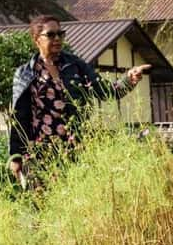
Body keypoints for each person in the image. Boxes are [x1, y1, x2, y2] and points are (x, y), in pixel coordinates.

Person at [8, 15, 149, 185]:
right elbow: (18, 117)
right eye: (51, 35)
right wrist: (16, 156)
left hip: (77, 144)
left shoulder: (74, 65)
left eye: (61, 34)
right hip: (42, 150)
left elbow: (106, 91)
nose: (57, 39)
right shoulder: (25, 73)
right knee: (46, 199)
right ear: (37, 39)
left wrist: (129, 79)